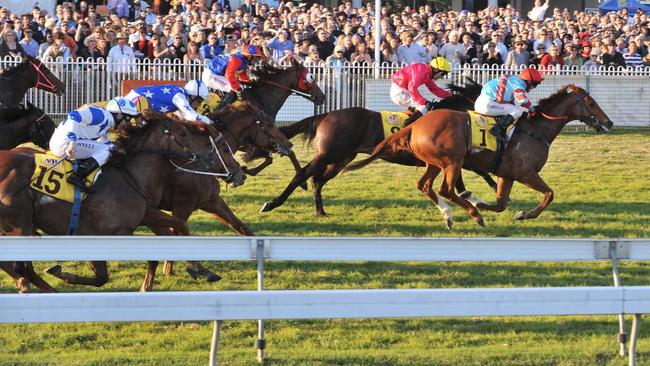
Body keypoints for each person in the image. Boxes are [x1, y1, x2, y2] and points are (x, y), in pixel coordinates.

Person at [49, 97, 140, 192]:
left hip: (64, 143)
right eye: (128, 119)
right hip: (65, 144)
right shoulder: (102, 115)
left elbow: (104, 142)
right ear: (120, 115)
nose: (128, 123)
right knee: (111, 149)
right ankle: (78, 175)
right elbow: (73, 116)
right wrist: (72, 142)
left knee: (112, 148)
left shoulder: (107, 123)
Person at [474, 68, 544, 143]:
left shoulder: (513, 79)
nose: (535, 87)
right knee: (518, 110)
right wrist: (533, 108)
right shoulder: (518, 83)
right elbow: (522, 100)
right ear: (529, 81)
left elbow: (514, 102)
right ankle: (497, 129)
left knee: (515, 108)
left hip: (482, 102)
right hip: (487, 105)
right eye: (535, 84)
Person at [389, 56, 452, 126]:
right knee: (425, 106)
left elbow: (435, 89)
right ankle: (406, 127)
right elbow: (412, 88)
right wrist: (424, 102)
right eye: (443, 74)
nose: (442, 77)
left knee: (422, 105)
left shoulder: (427, 73)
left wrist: (450, 95)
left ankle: (408, 120)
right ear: (436, 70)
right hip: (399, 91)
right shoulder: (422, 71)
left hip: (401, 90)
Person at [202, 44, 265, 113]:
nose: (256, 60)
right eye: (256, 57)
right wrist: (236, 88)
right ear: (249, 56)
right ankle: (218, 111)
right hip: (211, 75)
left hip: (215, 75)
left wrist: (252, 84)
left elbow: (243, 77)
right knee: (234, 89)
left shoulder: (243, 61)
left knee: (238, 88)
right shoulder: (237, 59)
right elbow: (229, 75)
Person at [125, 80, 212, 124]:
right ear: (193, 96)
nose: (199, 104)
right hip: (137, 101)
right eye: (200, 100)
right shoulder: (180, 97)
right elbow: (191, 116)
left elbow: (183, 117)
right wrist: (210, 121)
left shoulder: (180, 92)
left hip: (137, 96)